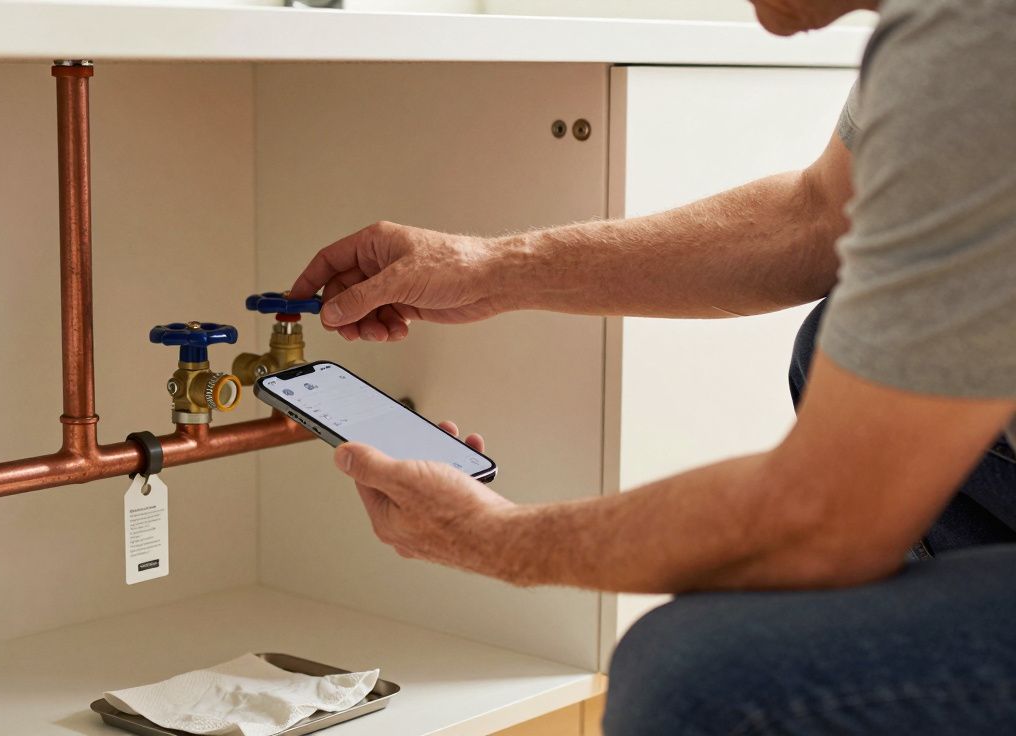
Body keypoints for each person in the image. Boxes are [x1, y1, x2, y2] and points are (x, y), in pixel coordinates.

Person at [287, 0, 1016, 732]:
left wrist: (497, 541)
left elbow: (823, 516)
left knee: (696, 681)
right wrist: (486, 268)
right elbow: (821, 214)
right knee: (840, 340)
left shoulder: (978, 38)